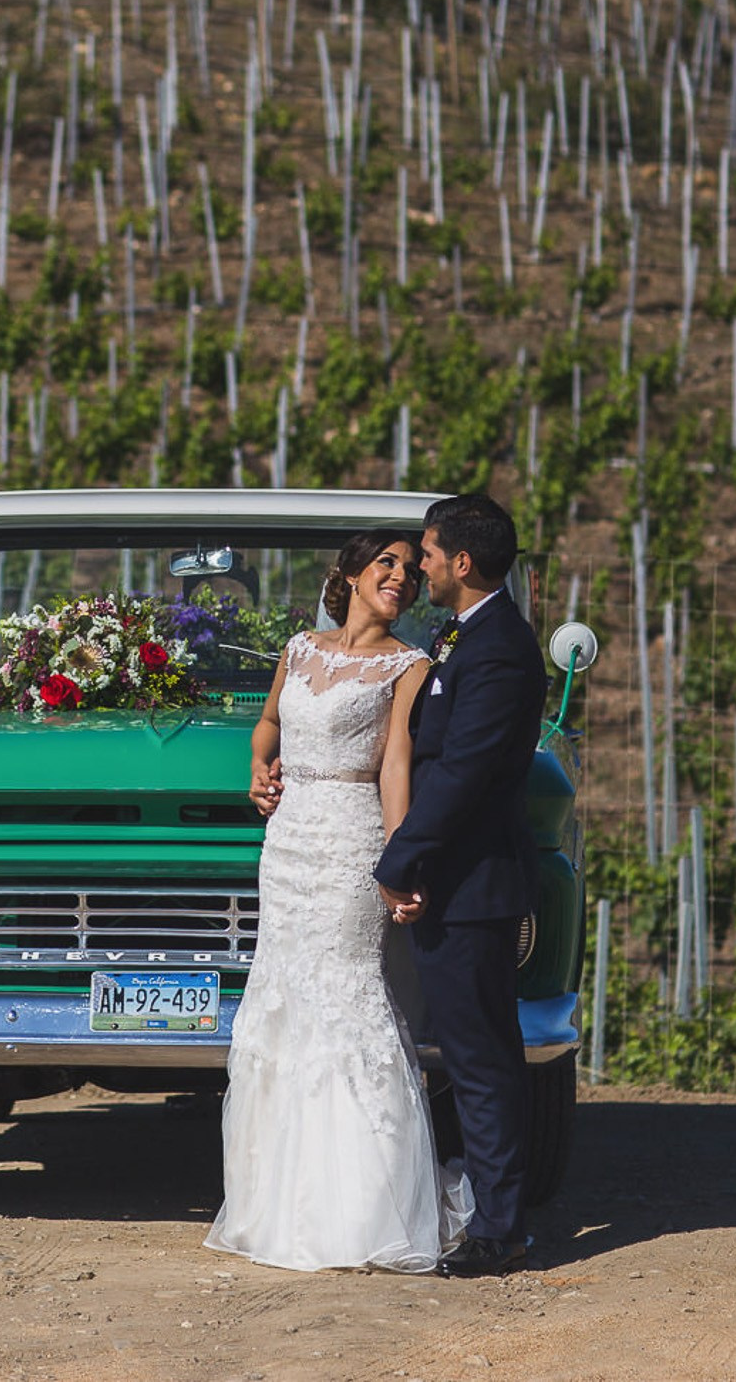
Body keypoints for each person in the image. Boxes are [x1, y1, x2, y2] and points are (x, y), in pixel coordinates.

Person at [206, 528, 471, 1272]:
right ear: (350, 573)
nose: (400, 577)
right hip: (287, 846)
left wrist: (398, 858)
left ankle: (364, 1210)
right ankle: (278, 1205)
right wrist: (258, 770)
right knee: (284, 1002)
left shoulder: (409, 665)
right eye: (385, 564)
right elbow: (267, 725)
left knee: (349, 999)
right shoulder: (298, 648)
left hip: (352, 842)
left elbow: (395, 767)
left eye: (408, 570)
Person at [375, 493, 547, 1277]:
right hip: (454, 877)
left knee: (481, 1059)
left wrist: (400, 858)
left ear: (463, 562)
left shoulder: (501, 648)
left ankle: (501, 1227)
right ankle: (495, 1211)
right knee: (479, 1054)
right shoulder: (464, 635)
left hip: (471, 884)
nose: (422, 565)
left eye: (429, 553)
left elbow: (466, 773)